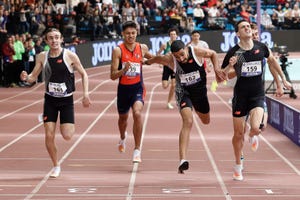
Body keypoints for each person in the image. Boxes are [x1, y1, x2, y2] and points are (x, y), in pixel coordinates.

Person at [221, 20, 291, 181]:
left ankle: (254, 134)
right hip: (240, 97)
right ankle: (238, 166)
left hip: (257, 95)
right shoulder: (234, 52)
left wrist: (283, 80)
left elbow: (272, 61)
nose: (247, 28)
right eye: (243, 27)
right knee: (238, 134)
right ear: (238, 34)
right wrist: (229, 67)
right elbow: (221, 77)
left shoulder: (261, 47)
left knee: (256, 128)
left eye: (248, 26)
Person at [144, 40, 225, 174]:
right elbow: (158, 59)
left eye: (182, 54)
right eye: (177, 56)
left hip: (199, 93)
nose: (180, 58)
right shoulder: (170, 58)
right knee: (188, 121)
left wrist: (216, 69)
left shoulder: (196, 51)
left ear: (186, 49)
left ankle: (197, 109)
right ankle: (183, 160)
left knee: (206, 121)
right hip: (183, 93)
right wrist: (147, 62)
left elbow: (213, 54)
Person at [20, 28, 91, 178]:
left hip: (66, 101)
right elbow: (33, 77)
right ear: (46, 41)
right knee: (48, 135)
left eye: (57, 37)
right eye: (51, 38)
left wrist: (85, 94)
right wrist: (26, 77)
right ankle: (56, 165)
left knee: (67, 136)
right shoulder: (42, 57)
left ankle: (63, 122)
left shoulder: (70, 56)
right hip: (50, 100)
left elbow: (84, 74)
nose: (54, 40)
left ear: (61, 39)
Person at [110, 21, 152, 163]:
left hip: (138, 88)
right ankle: (122, 138)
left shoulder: (142, 48)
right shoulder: (118, 50)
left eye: (133, 33)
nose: (130, 36)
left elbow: (152, 59)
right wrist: (123, 70)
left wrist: (169, 61)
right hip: (123, 90)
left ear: (137, 33)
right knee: (123, 119)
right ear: (123, 34)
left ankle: (137, 150)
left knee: (137, 113)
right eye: (128, 33)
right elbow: (112, 76)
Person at [156, 27, 178, 109]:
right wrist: (160, 62)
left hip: (174, 67)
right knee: (165, 86)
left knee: (173, 85)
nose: (173, 36)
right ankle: (168, 80)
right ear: (169, 35)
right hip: (166, 66)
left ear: (177, 35)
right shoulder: (165, 45)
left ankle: (169, 102)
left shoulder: (179, 45)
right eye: (171, 34)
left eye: (174, 34)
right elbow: (158, 53)